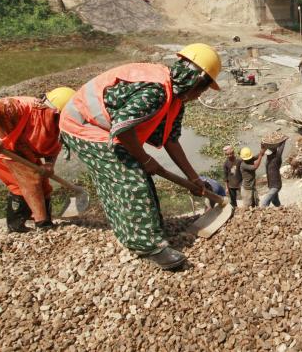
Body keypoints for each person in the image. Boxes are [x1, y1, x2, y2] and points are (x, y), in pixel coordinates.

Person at [60, 43, 223, 271]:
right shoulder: (155, 90)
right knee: (130, 181)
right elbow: (123, 127)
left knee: (139, 177)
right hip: (84, 126)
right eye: (202, 89)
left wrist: (194, 178)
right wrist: (145, 159)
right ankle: (147, 246)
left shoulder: (175, 98)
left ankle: (147, 229)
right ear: (194, 80)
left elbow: (170, 139)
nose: (198, 96)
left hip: (105, 128)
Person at [0, 87, 75, 232]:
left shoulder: (58, 124)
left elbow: (55, 143)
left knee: (43, 183)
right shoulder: (15, 107)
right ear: (51, 111)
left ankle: (43, 220)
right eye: (60, 118)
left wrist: (49, 164)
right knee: (26, 181)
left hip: (18, 147)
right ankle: (21, 227)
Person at [261, 138, 287, 207]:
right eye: (267, 155)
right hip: (271, 185)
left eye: (269, 154)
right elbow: (262, 151)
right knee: (275, 201)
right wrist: (262, 144)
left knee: (264, 202)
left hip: (276, 186)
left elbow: (280, 150)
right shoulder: (268, 161)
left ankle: (265, 215)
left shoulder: (276, 160)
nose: (268, 155)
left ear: (273, 154)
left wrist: (283, 141)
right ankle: (281, 208)